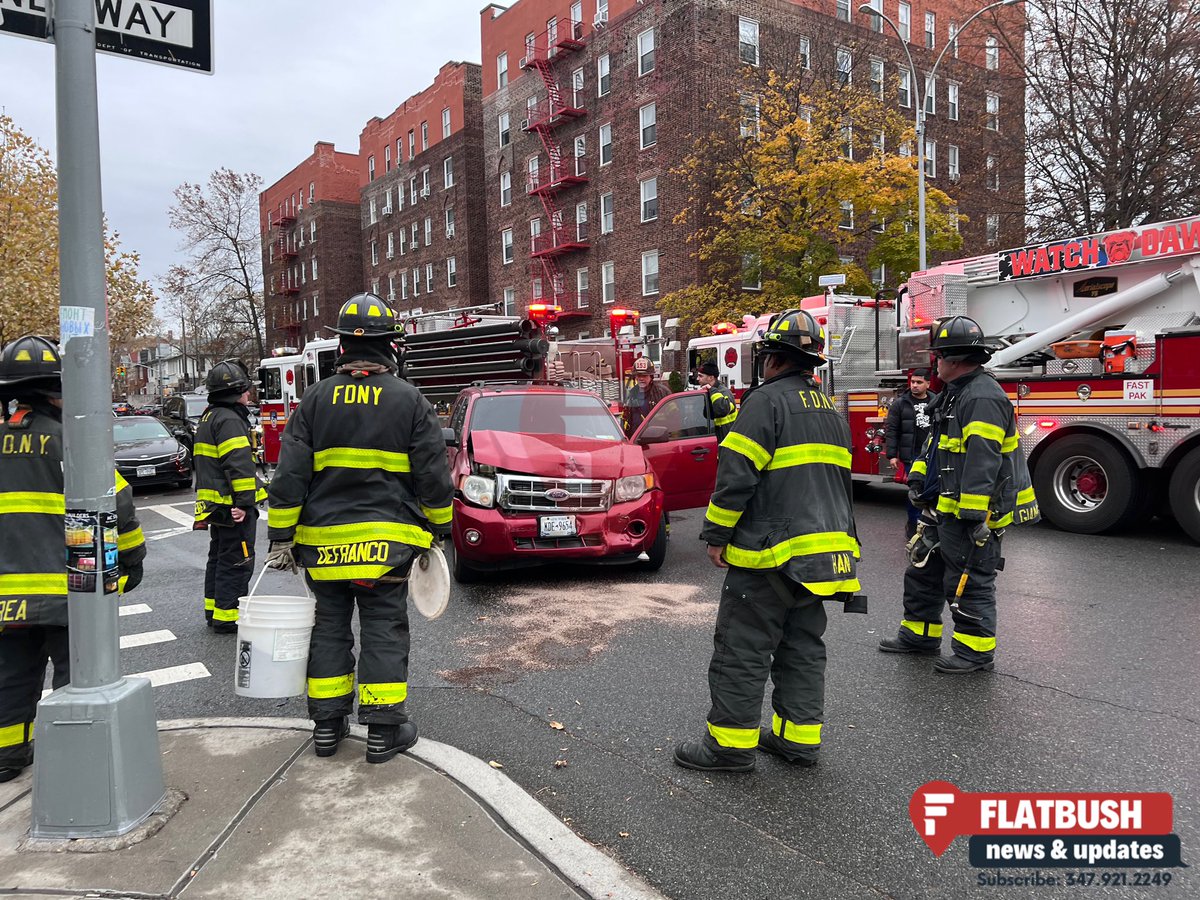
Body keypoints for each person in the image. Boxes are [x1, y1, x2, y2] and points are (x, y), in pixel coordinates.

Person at [266, 294, 454, 764]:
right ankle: (383, 732)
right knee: (383, 629)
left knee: (329, 629)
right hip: (388, 547)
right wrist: (441, 528)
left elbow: (289, 475)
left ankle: (328, 728)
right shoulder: (410, 400)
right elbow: (432, 474)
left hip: (323, 548)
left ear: (343, 345)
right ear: (391, 345)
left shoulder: (314, 399)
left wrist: (281, 538)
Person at [675, 310, 859, 773]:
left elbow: (736, 477)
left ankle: (729, 749)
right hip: (822, 560)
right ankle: (797, 741)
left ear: (772, 358)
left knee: (743, 647)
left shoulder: (764, 403)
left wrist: (716, 535)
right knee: (802, 648)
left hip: (770, 554)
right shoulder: (830, 410)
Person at [0, 335, 146, 783]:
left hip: (5, 598)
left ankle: (8, 756)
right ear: (56, 391)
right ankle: (75, 755)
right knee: (75, 675)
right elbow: (116, 500)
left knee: (10, 679)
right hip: (69, 592)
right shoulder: (71, 440)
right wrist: (132, 558)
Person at [878, 316, 1039, 674]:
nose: (934, 363)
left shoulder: (981, 397)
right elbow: (934, 447)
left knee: (968, 580)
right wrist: (919, 480)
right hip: (942, 505)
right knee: (924, 569)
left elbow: (984, 460)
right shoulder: (954, 394)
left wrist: (974, 514)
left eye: (938, 357)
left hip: (972, 513)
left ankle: (974, 654)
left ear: (954, 359)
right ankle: (919, 636)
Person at [193, 359, 266, 634]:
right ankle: (228, 615)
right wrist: (244, 503)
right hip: (232, 506)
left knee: (219, 558)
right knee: (237, 560)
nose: (249, 394)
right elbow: (239, 466)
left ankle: (215, 610)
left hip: (217, 505)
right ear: (236, 391)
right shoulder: (229, 420)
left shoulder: (210, 416)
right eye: (246, 389)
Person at [886, 368, 938, 539]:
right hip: (912, 456)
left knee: (932, 491)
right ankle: (913, 526)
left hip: (932, 455)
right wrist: (892, 455)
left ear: (928, 384)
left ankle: (929, 527)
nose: (914, 385)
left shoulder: (936, 400)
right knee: (915, 491)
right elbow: (892, 430)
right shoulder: (900, 403)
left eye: (919, 382)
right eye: (913, 382)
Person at [621, 356, 670, 437]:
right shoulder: (631, 394)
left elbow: (674, 418)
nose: (641, 378)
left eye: (644, 375)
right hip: (635, 439)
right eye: (638, 375)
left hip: (656, 439)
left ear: (651, 376)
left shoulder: (663, 392)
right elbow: (626, 418)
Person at [697, 361, 738, 442]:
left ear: (711, 378)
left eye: (700, 376)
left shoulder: (724, 392)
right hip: (716, 438)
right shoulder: (708, 391)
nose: (697, 379)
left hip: (728, 439)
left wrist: (712, 390)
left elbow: (722, 409)